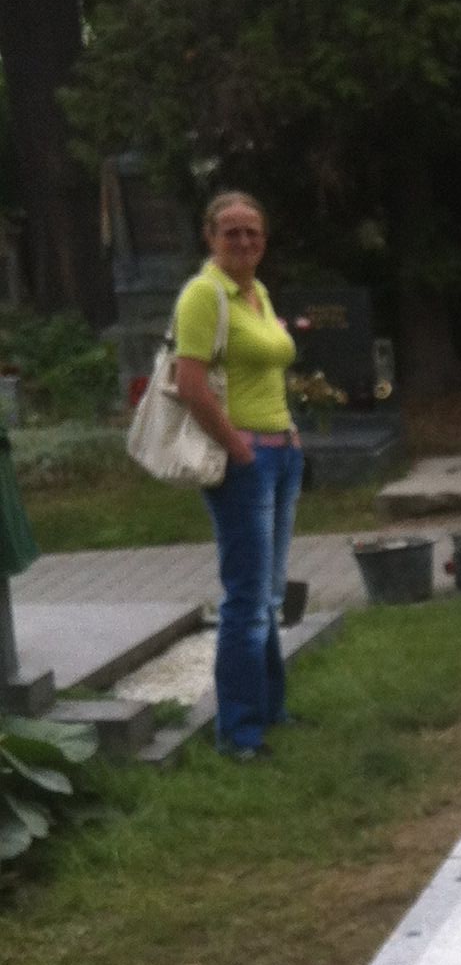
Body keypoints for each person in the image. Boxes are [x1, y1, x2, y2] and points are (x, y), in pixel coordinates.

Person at [172, 192, 302, 762]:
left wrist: (289, 432)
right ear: (210, 237)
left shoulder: (257, 292)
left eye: (253, 232)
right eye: (232, 232)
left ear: (264, 239)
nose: (244, 241)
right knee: (246, 599)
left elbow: (264, 370)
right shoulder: (205, 294)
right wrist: (237, 448)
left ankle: (271, 709)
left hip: (281, 453)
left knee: (268, 594)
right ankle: (240, 733)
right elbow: (190, 384)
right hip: (243, 463)